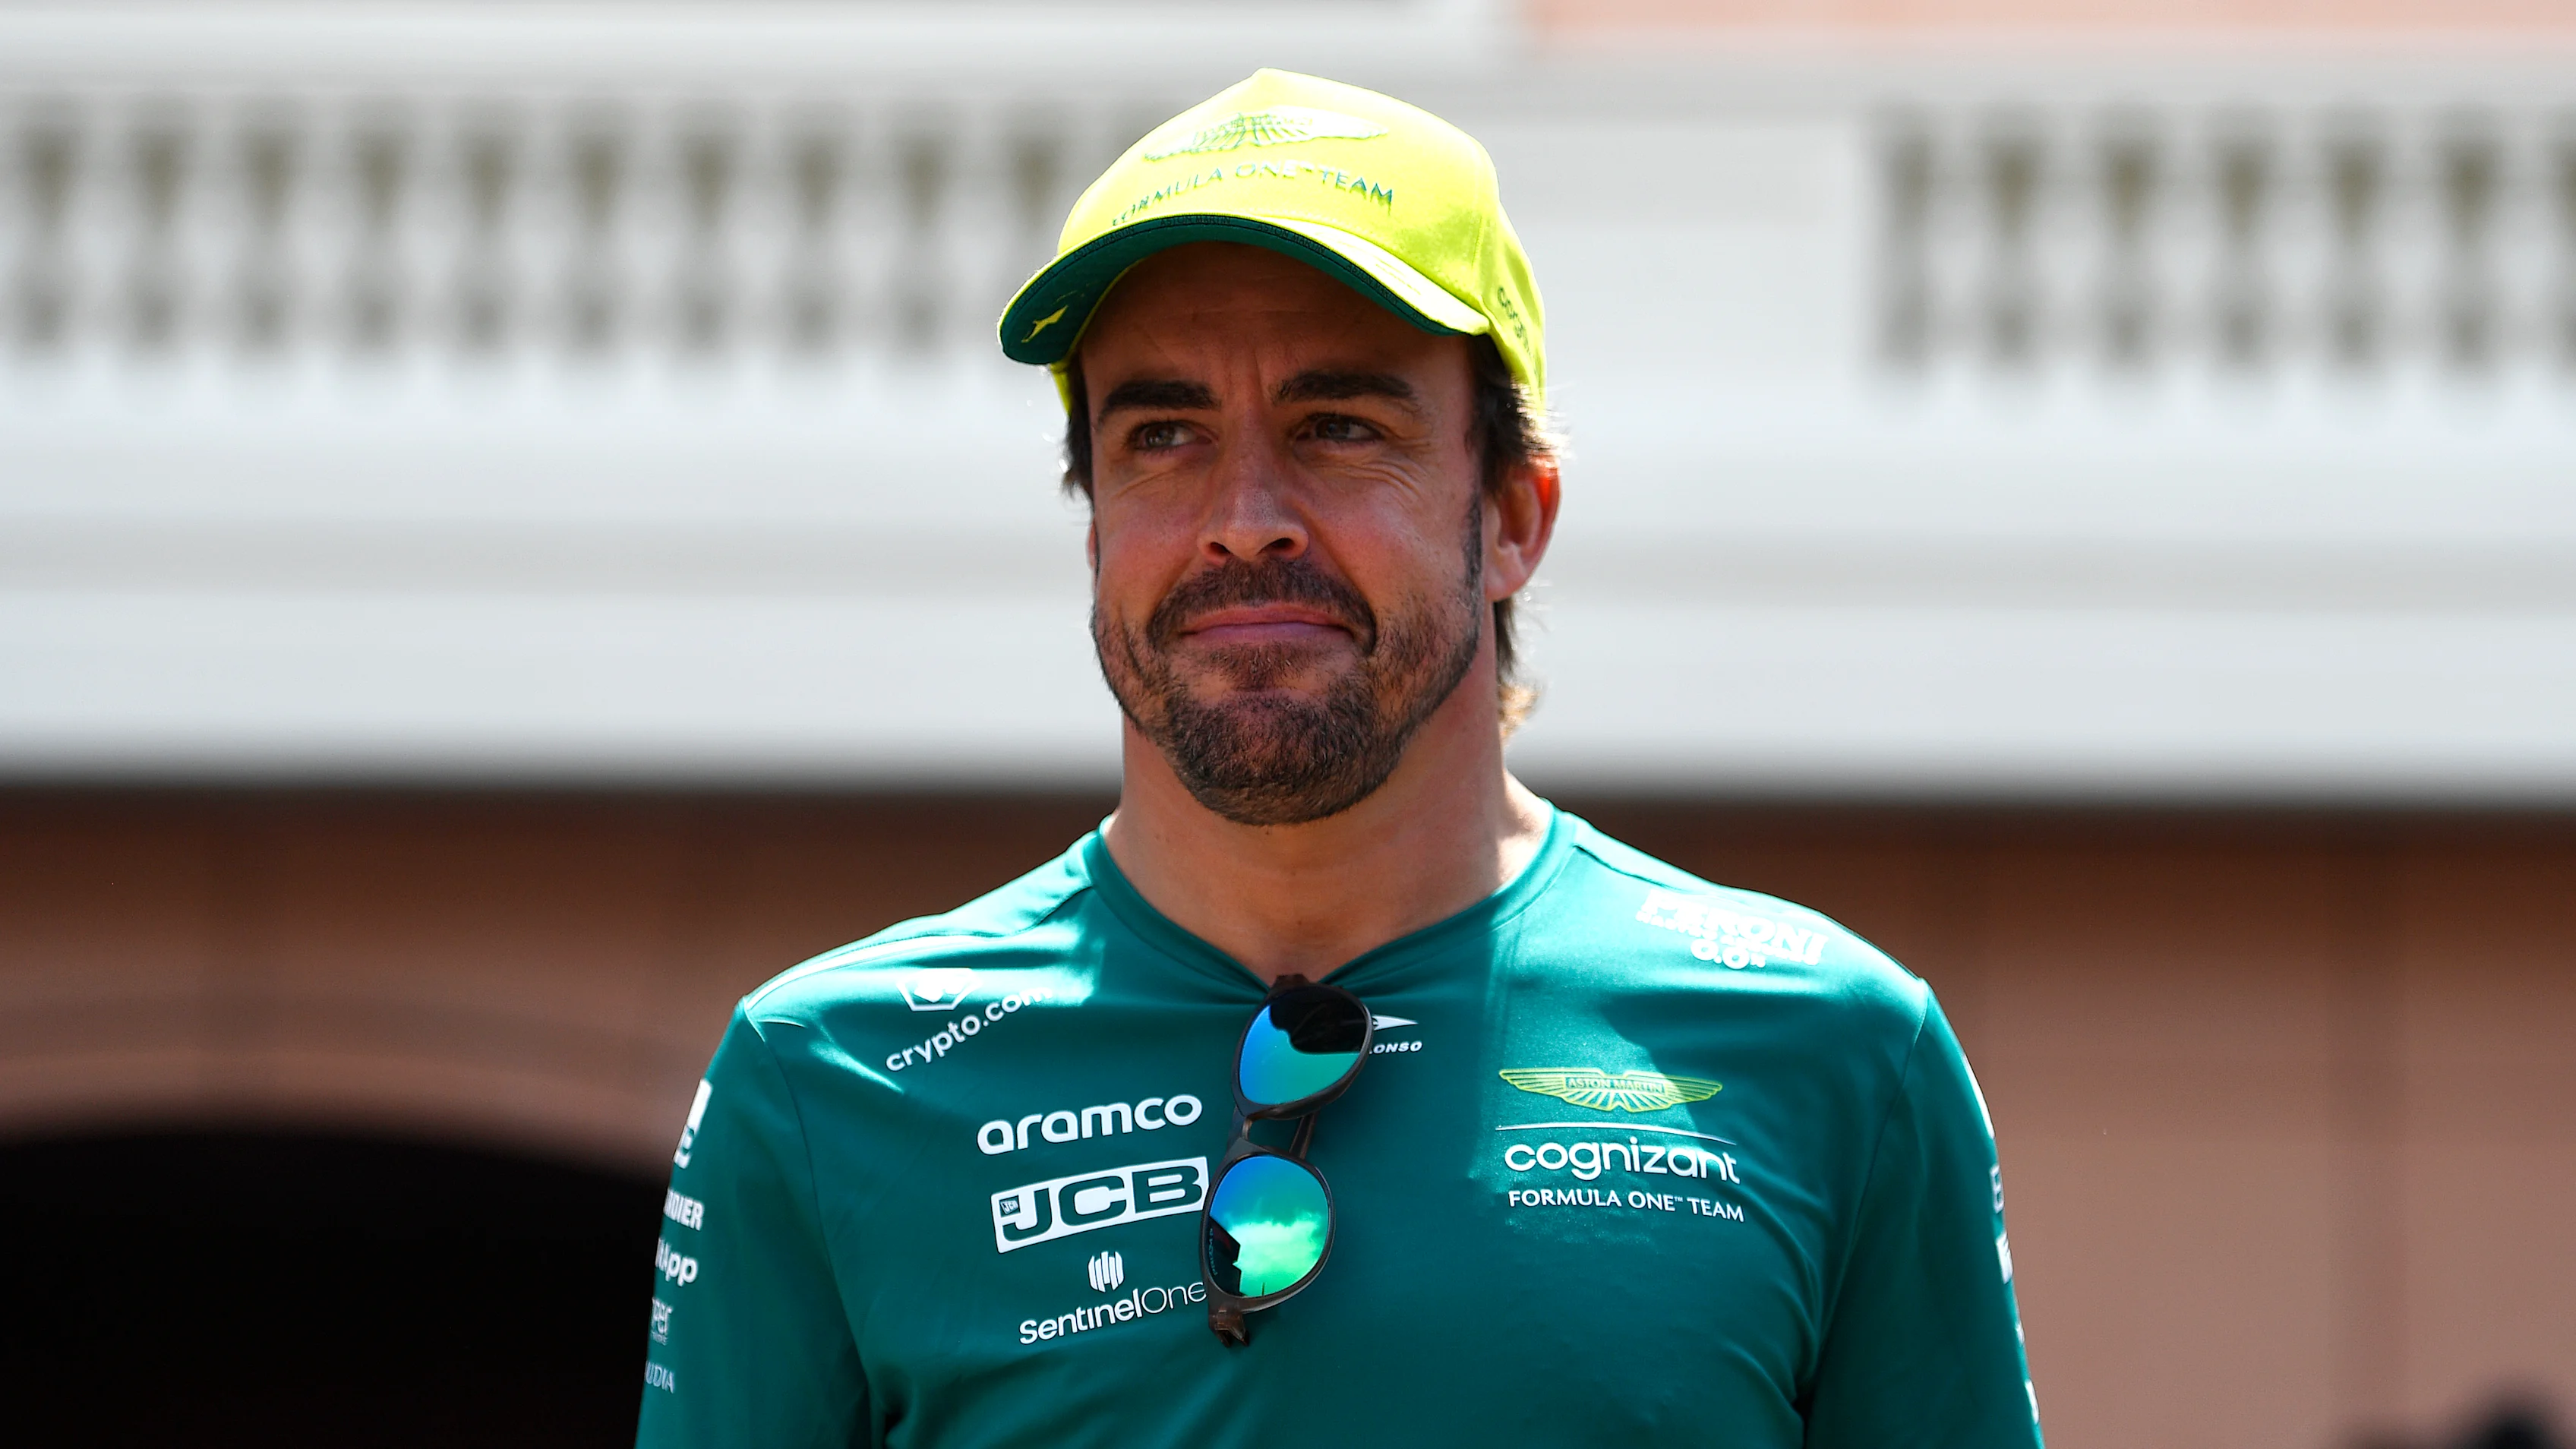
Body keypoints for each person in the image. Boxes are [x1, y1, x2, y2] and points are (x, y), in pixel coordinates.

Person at [636, 69, 2041, 1447]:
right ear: (1091, 520)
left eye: (1340, 427)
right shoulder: (831, 1079)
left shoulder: (1841, 1053)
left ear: (1512, 514)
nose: (1244, 518)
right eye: (1164, 435)